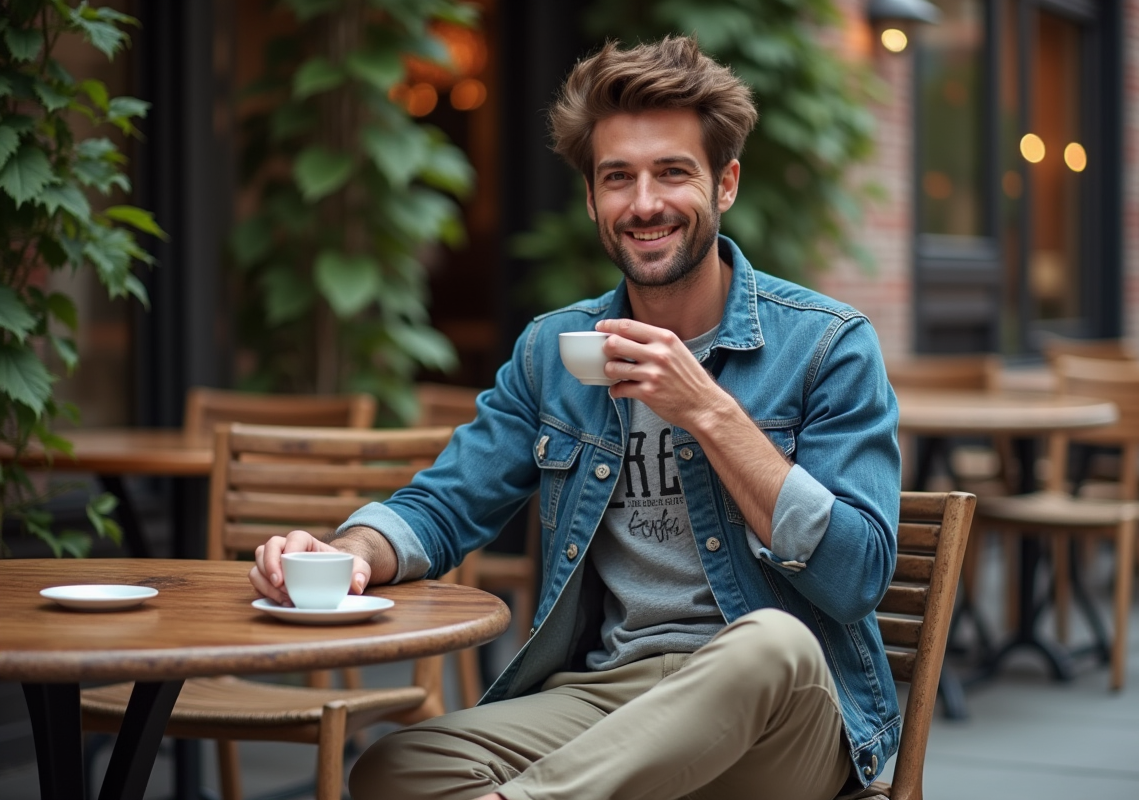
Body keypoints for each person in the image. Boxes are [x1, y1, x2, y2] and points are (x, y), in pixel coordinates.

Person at [250, 35, 901, 800]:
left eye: (673, 173)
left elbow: (857, 574)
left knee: (772, 644)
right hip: (611, 695)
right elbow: (446, 503)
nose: (645, 204)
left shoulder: (825, 345)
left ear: (725, 184)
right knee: (397, 768)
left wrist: (707, 411)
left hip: (778, 711)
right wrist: (349, 553)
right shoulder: (553, 352)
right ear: (592, 199)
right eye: (618, 177)